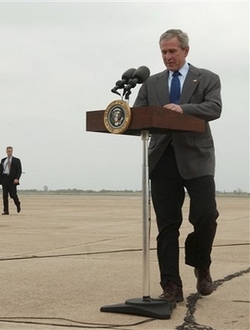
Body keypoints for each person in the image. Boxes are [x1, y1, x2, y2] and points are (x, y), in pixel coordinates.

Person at [133, 29, 222, 303]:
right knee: (167, 225)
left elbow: (214, 108)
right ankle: (171, 286)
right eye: (163, 52)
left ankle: (201, 264)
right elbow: (139, 114)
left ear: (185, 50)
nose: (168, 57)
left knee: (206, 216)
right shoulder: (151, 83)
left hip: (197, 157)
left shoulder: (207, 78)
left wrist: (184, 109)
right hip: (162, 160)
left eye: (172, 51)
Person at [0, 146, 22, 215]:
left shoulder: (17, 160)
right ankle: (6, 211)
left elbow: (19, 171)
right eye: (8, 151)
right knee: (5, 196)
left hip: (12, 179)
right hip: (5, 178)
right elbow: (0, 170)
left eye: (10, 151)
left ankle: (18, 204)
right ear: (6, 152)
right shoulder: (3, 160)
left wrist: (17, 178)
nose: (9, 152)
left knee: (13, 194)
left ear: (12, 152)